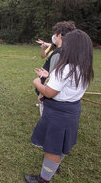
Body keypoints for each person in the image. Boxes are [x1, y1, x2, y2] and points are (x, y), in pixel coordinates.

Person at [24, 30, 94, 183]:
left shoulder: (65, 69)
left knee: (52, 148)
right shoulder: (84, 68)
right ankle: (49, 172)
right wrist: (49, 77)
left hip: (58, 114)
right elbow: (68, 87)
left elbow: (49, 92)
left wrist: (37, 83)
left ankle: (43, 179)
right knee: (60, 145)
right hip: (72, 111)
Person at [34, 21, 76, 115]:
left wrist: (42, 93)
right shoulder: (68, 50)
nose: (53, 36)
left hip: (53, 99)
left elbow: (53, 77)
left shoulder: (58, 53)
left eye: (54, 34)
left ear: (59, 35)